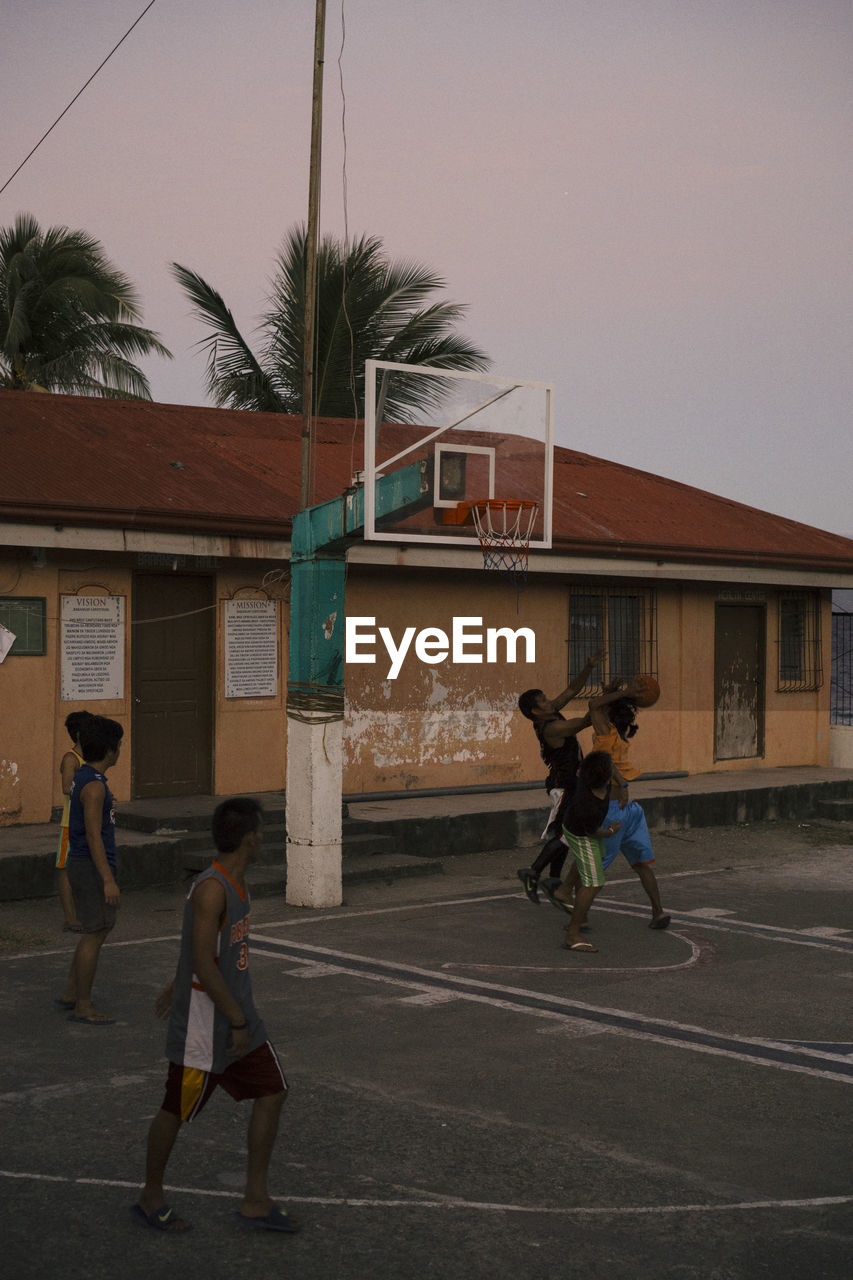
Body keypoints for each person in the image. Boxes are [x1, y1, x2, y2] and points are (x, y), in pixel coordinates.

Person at [133, 797, 300, 1235]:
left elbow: (199, 949)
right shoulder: (212, 888)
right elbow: (205, 963)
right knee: (176, 1108)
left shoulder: (237, 882)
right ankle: (151, 1194)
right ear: (250, 838)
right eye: (261, 832)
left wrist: (184, 984)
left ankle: (256, 1199)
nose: (264, 838)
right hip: (207, 1027)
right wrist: (236, 1020)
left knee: (273, 1091)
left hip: (238, 1014)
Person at [544, 682, 670, 931]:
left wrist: (624, 692)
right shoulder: (620, 735)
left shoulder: (606, 733)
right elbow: (597, 706)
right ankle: (657, 912)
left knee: (590, 869)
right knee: (639, 865)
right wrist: (619, 693)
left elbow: (593, 706)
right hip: (629, 810)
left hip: (610, 809)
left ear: (609, 713)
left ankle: (570, 901)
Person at [515, 650, 603, 902]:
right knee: (567, 834)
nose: (549, 701)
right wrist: (609, 701)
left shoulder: (550, 713)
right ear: (535, 712)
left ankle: (553, 879)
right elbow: (584, 722)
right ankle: (533, 871)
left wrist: (588, 667)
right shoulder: (552, 727)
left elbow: (572, 690)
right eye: (543, 701)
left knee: (565, 833)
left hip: (571, 783)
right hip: (563, 785)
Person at [57, 715, 124, 1024]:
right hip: (90, 865)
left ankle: (72, 992)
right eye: (119, 745)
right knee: (94, 932)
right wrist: (108, 880)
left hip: (83, 863)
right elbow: (94, 835)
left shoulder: (85, 777)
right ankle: (84, 1005)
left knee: (95, 929)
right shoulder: (94, 787)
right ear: (110, 750)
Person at [557, 751, 623, 952]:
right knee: (594, 883)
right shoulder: (589, 806)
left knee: (596, 859)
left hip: (576, 826)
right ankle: (573, 934)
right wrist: (611, 831)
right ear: (605, 777)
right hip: (582, 835)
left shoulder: (589, 780)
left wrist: (624, 785)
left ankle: (564, 890)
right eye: (611, 767)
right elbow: (594, 833)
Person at [55, 710, 93, 932]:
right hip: (71, 825)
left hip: (86, 824)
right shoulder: (71, 759)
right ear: (79, 734)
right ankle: (70, 918)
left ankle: (81, 914)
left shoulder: (87, 760)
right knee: (65, 870)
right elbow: (66, 787)